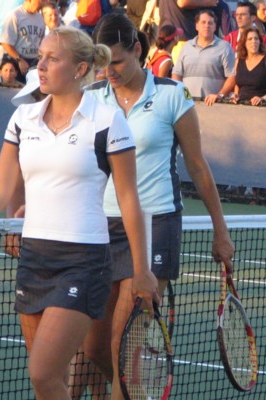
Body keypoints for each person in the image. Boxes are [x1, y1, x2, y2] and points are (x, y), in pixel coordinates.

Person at [0, 25, 160, 400]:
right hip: (34, 258)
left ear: (81, 69)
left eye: (53, 59)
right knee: (48, 384)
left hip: (84, 261)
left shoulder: (107, 121)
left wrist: (141, 270)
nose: (42, 66)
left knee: (42, 372)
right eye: (41, 57)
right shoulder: (23, 120)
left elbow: (128, 199)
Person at [81, 12, 234, 399]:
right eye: (103, 63)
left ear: (137, 50)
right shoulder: (92, 98)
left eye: (117, 61)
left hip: (156, 227)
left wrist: (222, 232)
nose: (110, 71)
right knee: (93, 348)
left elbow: (198, 166)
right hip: (99, 228)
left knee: (122, 342)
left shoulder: (172, 96)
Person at [172, 9, 235, 106]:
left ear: (215, 27)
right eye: (203, 22)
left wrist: (219, 95)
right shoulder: (186, 47)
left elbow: (232, 76)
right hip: (188, 104)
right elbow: (177, 74)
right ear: (196, 26)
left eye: (210, 23)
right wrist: (185, 95)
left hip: (213, 105)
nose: (207, 26)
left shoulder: (224, 47)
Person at [0, 0, 45, 83]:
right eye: (41, 1)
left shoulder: (40, 18)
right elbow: (5, 43)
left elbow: (41, 41)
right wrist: (20, 60)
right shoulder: (15, 15)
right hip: (16, 61)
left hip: (34, 62)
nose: (43, 3)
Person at [230, 27, 266, 105]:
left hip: (260, 107)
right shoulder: (238, 61)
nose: (254, 41)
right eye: (250, 39)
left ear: (260, 42)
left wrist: (262, 98)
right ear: (244, 43)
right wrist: (236, 95)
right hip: (241, 106)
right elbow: (237, 84)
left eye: (256, 39)